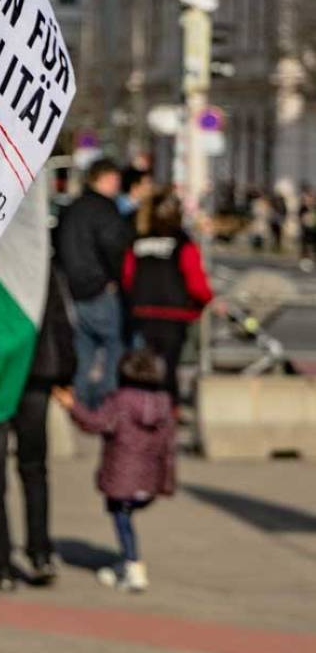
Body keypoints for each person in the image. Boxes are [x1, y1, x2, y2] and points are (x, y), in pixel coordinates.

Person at [0, 262, 77, 589]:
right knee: (32, 468)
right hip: (35, 371)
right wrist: (65, 373)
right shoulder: (37, 259)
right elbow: (59, 319)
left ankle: (0, 562)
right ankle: (39, 553)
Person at [55, 347, 176, 594]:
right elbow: (168, 447)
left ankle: (133, 565)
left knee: (122, 517)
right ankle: (127, 561)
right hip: (149, 479)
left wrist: (72, 406)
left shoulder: (120, 401)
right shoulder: (164, 403)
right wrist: (166, 481)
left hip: (122, 478)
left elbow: (95, 423)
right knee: (125, 514)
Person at [121, 189, 213, 402]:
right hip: (174, 314)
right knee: (168, 368)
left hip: (142, 311)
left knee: (141, 367)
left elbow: (127, 277)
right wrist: (205, 301)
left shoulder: (138, 242)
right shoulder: (183, 243)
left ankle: (141, 406)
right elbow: (196, 283)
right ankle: (165, 409)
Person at [55, 158, 134, 409]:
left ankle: (80, 405)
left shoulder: (72, 208)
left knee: (83, 349)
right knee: (113, 346)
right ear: (106, 179)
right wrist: (114, 280)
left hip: (73, 289)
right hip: (100, 288)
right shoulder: (105, 209)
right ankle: (106, 404)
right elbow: (114, 247)